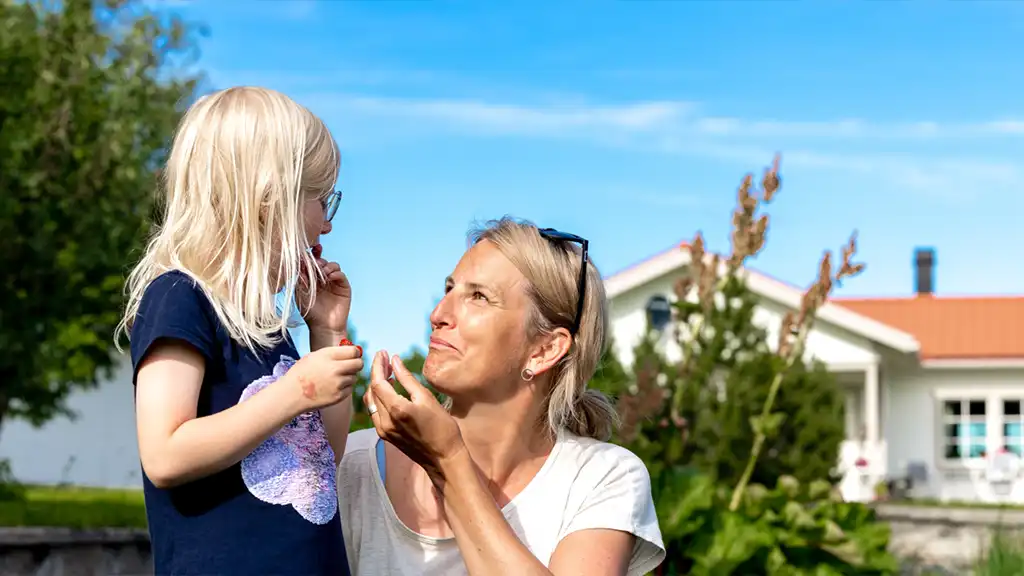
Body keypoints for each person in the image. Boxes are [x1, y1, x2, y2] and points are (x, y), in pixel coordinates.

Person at [115, 86, 363, 575]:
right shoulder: (178, 297)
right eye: (321, 200)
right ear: (270, 198)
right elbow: (165, 453)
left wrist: (326, 332)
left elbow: (323, 458)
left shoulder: (266, 329)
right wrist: (294, 391)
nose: (327, 225)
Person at [338, 217, 666, 575]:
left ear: (544, 350)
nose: (438, 314)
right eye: (449, 289)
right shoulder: (354, 465)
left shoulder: (602, 478)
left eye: (478, 297)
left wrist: (448, 463)